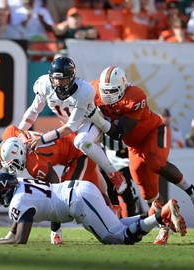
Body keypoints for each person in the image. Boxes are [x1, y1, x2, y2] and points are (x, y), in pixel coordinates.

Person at [90, 66, 194, 244]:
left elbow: (120, 133)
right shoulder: (92, 90)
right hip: (134, 145)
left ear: (122, 88)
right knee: (147, 192)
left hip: (153, 132)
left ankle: (193, 191)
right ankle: (163, 224)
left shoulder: (136, 96)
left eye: (113, 91)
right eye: (105, 91)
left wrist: (95, 117)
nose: (108, 95)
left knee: (155, 162)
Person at [0, 125, 109, 244]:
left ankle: (57, 232)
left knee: (69, 197)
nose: (12, 169)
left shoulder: (35, 164)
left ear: (20, 154)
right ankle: (113, 210)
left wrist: (55, 227)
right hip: (71, 147)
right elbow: (0, 155)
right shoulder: (12, 136)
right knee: (96, 194)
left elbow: (55, 184)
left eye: (13, 164)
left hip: (80, 155)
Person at [19, 56, 128, 196]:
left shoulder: (83, 91)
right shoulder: (44, 84)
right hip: (69, 126)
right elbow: (34, 110)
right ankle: (109, 203)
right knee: (91, 166)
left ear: (71, 77)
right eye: (55, 79)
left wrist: (42, 139)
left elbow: (72, 126)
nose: (58, 83)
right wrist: (20, 131)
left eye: (62, 79)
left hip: (89, 122)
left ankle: (114, 175)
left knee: (81, 142)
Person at [0, 173, 187, 245]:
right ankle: (157, 214)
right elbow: (14, 231)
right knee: (117, 226)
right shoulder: (21, 184)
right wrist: (5, 237)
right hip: (79, 190)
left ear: (5, 191)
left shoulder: (19, 202)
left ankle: (161, 216)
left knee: (115, 238)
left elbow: (19, 240)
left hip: (76, 200)